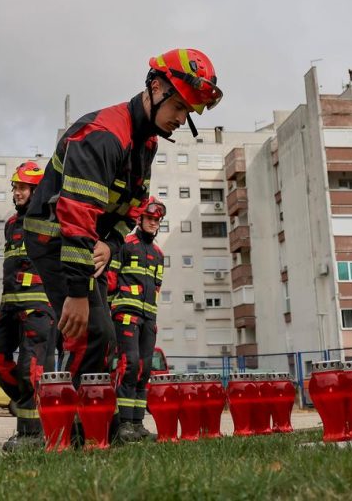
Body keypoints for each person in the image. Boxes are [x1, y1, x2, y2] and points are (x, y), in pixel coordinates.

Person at [23, 49, 221, 391]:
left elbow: (133, 205)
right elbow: (75, 213)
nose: (180, 118)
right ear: (156, 88)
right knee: (90, 332)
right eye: (178, 107)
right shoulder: (105, 134)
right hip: (55, 238)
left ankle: (91, 426)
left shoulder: (145, 142)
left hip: (87, 243)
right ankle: (68, 429)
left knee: (104, 336)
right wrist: (77, 291)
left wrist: (110, 243)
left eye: (187, 111)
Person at [0, 160, 52, 451]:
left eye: (23, 187)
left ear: (37, 190)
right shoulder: (12, 224)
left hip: (38, 309)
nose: (17, 192)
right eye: (15, 187)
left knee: (31, 372)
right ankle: (37, 409)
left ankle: (31, 435)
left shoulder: (50, 220)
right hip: (10, 309)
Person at [109, 196, 165, 443]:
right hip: (126, 314)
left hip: (148, 317)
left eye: (157, 219)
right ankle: (122, 425)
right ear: (140, 219)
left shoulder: (158, 254)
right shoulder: (125, 244)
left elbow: (157, 287)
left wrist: (152, 317)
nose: (154, 223)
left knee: (143, 370)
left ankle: (137, 424)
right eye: (150, 218)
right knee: (129, 364)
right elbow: (110, 281)